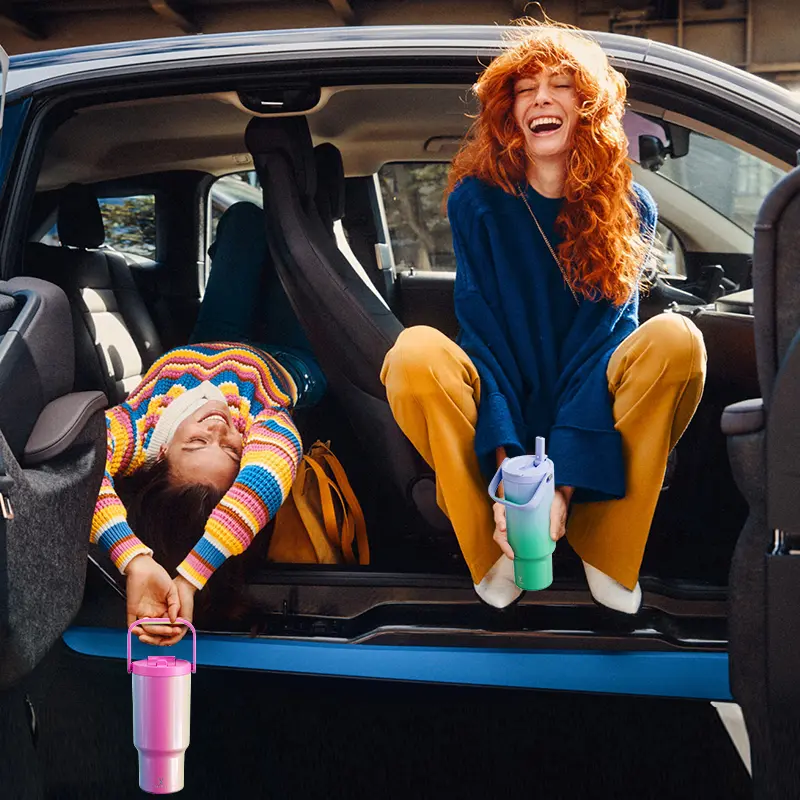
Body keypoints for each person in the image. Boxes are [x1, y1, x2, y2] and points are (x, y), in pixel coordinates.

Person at [380, 21, 707, 614]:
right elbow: (483, 336)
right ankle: (494, 550)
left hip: (593, 402)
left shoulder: (632, 207)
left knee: (677, 339)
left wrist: (563, 485)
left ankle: (606, 548)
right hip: (504, 398)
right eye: (526, 89)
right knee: (415, 353)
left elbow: (605, 345)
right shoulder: (475, 201)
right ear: (509, 112)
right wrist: (514, 481)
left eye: (560, 85)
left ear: (588, 106)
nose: (540, 99)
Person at [91, 201, 324, 645]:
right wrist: (193, 575)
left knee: (243, 220)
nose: (219, 428)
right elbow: (267, 474)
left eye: (197, 442)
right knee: (295, 238)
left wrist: (134, 559)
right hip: (288, 366)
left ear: (160, 453)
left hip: (210, 344)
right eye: (233, 449)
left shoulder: (138, 431)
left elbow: (83, 465)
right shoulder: (266, 426)